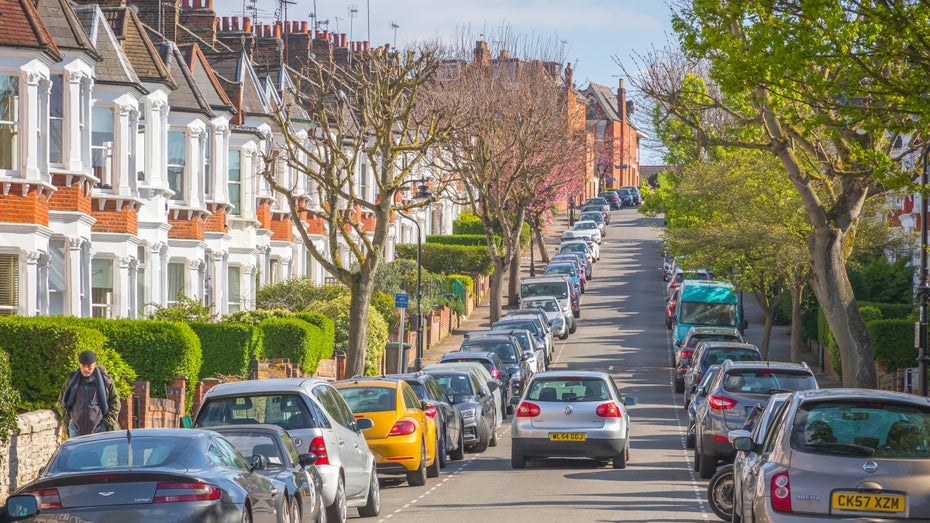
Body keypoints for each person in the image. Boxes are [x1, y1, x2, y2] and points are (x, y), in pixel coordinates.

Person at [59, 350, 120, 438]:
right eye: (83, 366)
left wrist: (105, 422)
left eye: (89, 366)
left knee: (97, 452)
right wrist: (68, 419)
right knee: (77, 452)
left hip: (99, 429)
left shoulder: (106, 381)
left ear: (95, 364)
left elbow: (115, 403)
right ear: (80, 365)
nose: (86, 369)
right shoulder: (71, 380)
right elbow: (62, 400)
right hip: (75, 429)